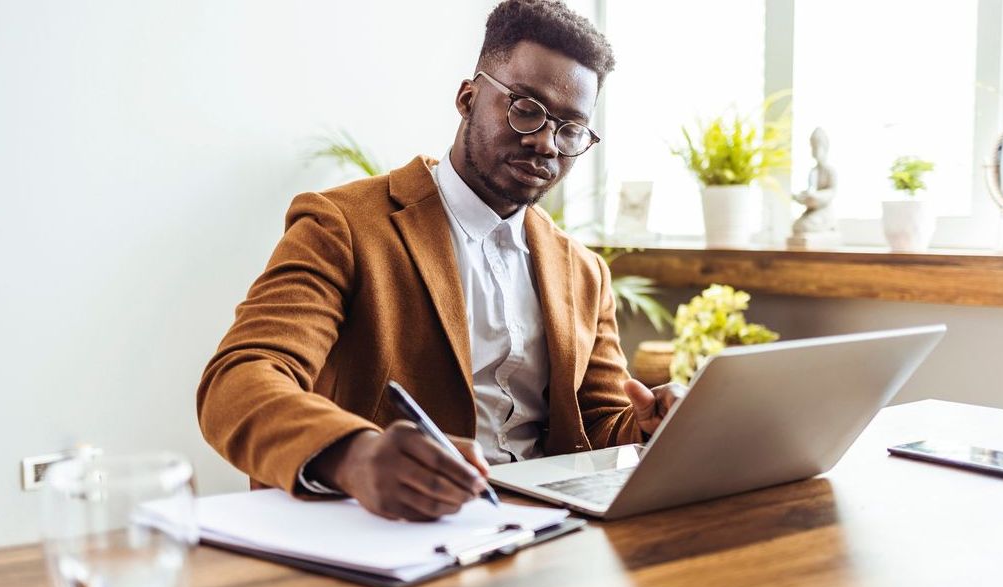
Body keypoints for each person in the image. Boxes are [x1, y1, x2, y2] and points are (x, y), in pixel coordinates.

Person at [197, 0, 686, 522]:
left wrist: (651, 425)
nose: (546, 143)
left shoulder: (584, 271)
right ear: (468, 98)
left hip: (546, 530)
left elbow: (600, 426)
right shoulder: (343, 225)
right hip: (396, 529)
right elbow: (239, 380)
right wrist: (352, 454)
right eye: (526, 109)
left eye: (570, 129)